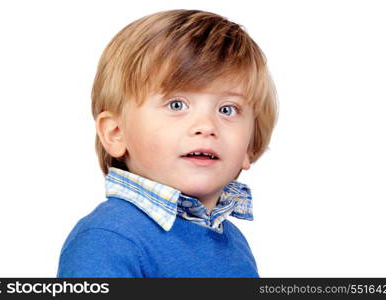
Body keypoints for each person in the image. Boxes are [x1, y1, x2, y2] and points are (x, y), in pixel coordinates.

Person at [57, 9, 278, 278]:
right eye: (177, 105)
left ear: (250, 147)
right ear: (116, 133)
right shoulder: (108, 239)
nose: (206, 126)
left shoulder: (235, 244)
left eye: (227, 110)